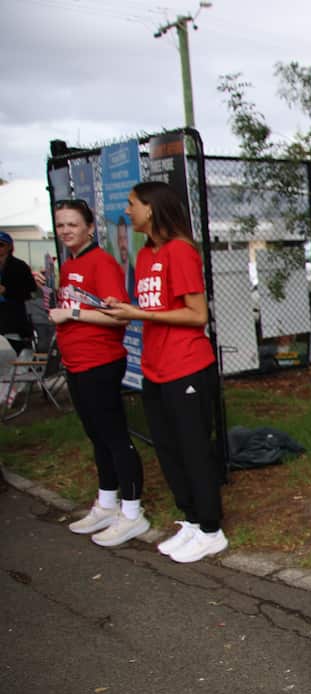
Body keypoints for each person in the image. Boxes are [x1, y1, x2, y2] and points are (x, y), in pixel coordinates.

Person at [100, 181, 226, 564]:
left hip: (187, 367)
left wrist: (138, 313)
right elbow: (153, 306)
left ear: (151, 209)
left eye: (132, 204)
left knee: (193, 451)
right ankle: (190, 520)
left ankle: (211, 529)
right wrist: (120, 307)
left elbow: (197, 315)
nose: (128, 211)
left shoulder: (180, 252)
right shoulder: (146, 254)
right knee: (169, 451)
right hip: (155, 370)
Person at [47, 199, 149, 546]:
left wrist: (72, 315)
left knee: (115, 436)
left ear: (90, 227)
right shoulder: (69, 263)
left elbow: (120, 315)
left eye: (72, 224)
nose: (65, 231)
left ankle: (133, 513)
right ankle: (107, 503)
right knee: (97, 436)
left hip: (100, 362)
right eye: (60, 225)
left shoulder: (101, 263)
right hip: (76, 363)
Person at [0, 230, 37, 354]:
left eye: (1, 245)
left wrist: (7, 290)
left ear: (9, 247)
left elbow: (30, 290)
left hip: (13, 314)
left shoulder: (19, 266)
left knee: (15, 346)